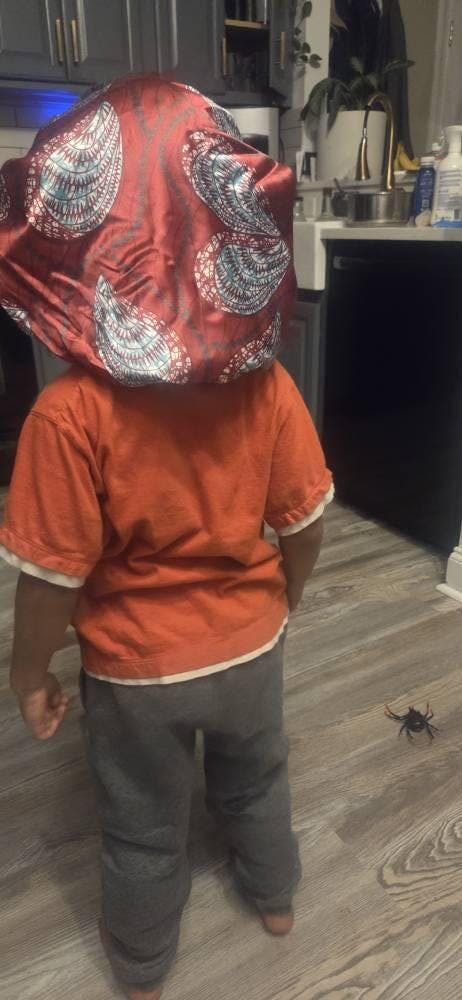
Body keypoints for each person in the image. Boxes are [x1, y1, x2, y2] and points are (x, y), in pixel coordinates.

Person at [0, 74, 333, 999]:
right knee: (257, 781)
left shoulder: (67, 414)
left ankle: (143, 968)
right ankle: (275, 898)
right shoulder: (268, 387)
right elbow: (305, 518)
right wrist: (285, 596)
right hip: (249, 648)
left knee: (144, 825)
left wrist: (28, 674)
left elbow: (50, 579)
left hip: (135, 671)